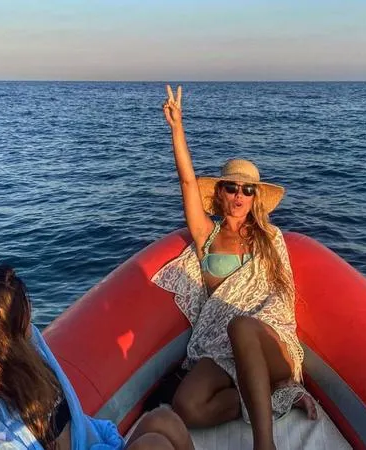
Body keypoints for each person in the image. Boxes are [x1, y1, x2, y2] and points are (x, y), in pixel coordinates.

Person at [152, 85, 318, 450]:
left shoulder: (270, 238)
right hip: (220, 345)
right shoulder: (206, 236)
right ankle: (268, 394)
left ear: (256, 197)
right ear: (220, 193)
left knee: (241, 324)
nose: (239, 196)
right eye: (232, 188)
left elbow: (282, 299)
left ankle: (264, 444)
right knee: (186, 406)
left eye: (248, 190)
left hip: (270, 342)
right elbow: (187, 181)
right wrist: (177, 128)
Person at [0, 264, 194, 450]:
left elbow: (78, 425)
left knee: (164, 420)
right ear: (0, 340)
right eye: (20, 318)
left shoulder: (32, 359)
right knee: (152, 445)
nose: (29, 318)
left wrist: (108, 439)